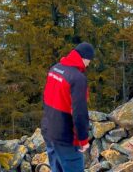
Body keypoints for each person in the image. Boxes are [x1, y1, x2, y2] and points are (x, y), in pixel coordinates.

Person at [41, 43, 95, 172]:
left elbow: (46, 98)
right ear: (85, 58)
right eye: (90, 61)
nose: (88, 65)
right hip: (66, 137)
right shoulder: (78, 78)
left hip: (49, 131)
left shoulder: (55, 69)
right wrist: (83, 139)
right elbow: (79, 113)